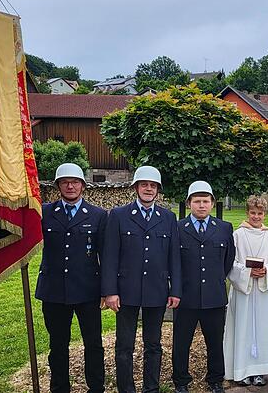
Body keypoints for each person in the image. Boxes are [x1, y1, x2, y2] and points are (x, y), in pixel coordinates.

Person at [102, 166, 181, 393]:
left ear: (158, 190)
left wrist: (175, 290)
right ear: (136, 187)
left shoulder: (168, 217)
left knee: (153, 345)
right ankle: (126, 389)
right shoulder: (118, 215)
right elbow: (109, 256)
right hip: (125, 291)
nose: (148, 189)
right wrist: (110, 291)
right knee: (124, 346)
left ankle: (151, 389)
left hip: (156, 291)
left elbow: (174, 257)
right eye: (144, 184)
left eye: (153, 185)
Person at [35, 163, 106, 393]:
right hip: (54, 291)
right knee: (58, 345)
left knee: (93, 344)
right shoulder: (43, 212)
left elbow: (104, 255)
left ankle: (96, 387)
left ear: (83, 186)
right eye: (65, 182)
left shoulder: (97, 216)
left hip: (87, 291)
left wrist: (107, 289)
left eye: (75, 182)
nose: (70, 186)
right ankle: (59, 388)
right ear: (57, 186)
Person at [172, 181, 235, 393]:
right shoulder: (178, 228)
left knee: (215, 342)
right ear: (189, 203)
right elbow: (173, 262)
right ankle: (181, 381)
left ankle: (215, 380)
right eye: (197, 201)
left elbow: (228, 260)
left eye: (205, 201)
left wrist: (216, 280)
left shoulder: (224, 228)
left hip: (214, 296)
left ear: (212, 203)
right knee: (181, 342)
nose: (201, 205)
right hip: (186, 297)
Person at [224, 196, 268, 386]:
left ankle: (260, 371)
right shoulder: (238, 235)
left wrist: (267, 270)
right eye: (253, 213)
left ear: (264, 214)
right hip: (244, 290)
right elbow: (231, 262)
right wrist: (248, 272)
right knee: (242, 327)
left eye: (260, 213)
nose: (256, 217)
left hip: (263, 291)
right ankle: (242, 370)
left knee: (263, 328)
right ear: (247, 213)